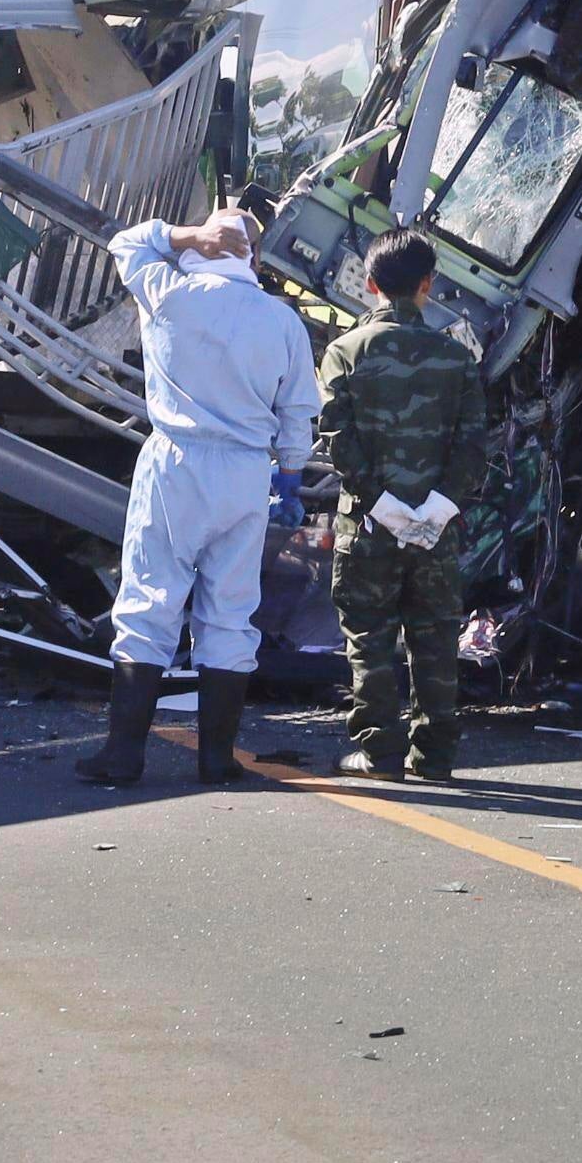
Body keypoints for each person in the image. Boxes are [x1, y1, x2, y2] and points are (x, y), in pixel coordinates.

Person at [76, 202, 318, 789]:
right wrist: (289, 479)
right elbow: (297, 413)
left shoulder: (167, 292)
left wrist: (185, 235)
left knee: (149, 601)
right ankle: (217, 760)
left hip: (175, 463)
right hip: (245, 472)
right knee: (230, 612)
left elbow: (126, 243)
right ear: (254, 259)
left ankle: (122, 757)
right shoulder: (281, 320)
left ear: (204, 245)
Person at [318, 231, 490, 780]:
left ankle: (380, 753)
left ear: (369, 284)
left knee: (369, 639)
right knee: (435, 639)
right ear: (427, 284)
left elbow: (337, 441)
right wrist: (438, 508)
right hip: (437, 528)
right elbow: (473, 445)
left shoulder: (344, 352)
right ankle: (434, 757)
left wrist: (381, 505)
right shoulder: (456, 357)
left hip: (368, 527)